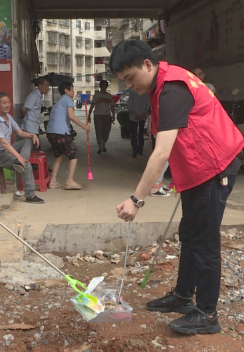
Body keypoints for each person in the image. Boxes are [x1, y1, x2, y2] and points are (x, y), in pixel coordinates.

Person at [110, 39, 244, 335]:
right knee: (190, 232)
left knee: (205, 240)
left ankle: (207, 314)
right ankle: (183, 296)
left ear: (147, 64)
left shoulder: (171, 88)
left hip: (214, 167)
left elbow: (160, 153)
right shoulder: (161, 84)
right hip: (197, 169)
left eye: (131, 78)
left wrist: (136, 199)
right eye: (124, 81)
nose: (130, 85)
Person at [0, 92, 45, 204]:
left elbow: (20, 132)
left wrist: (32, 135)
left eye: (8, 102)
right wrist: (19, 157)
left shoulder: (8, 117)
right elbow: (3, 142)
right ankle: (30, 196)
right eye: (4, 103)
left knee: (27, 140)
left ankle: (18, 163)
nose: (7, 105)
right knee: (26, 165)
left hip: (6, 150)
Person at [46, 82, 90, 190]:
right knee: (73, 154)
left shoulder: (59, 102)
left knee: (59, 157)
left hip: (51, 132)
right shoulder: (67, 99)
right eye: (72, 89)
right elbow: (71, 116)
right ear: (66, 91)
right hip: (60, 132)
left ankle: (53, 182)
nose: (74, 91)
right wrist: (84, 126)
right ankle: (69, 181)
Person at [88, 80, 115, 154]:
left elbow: (112, 106)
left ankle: (104, 145)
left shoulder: (109, 96)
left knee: (106, 130)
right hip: (98, 115)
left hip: (107, 116)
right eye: (102, 85)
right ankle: (100, 146)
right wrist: (89, 115)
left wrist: (113, 115)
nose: (104, 87)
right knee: (99, 130)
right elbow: (92, 105)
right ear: (100, 86)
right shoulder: (97, 95)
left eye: (105, 86)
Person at [128, 90, 150, 157]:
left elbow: (130, 105)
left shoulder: (132, 92)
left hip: (134, 116)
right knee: (140, 134)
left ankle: (135, 150)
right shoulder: (145, 92)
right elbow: (148, 106)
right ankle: (140, 150)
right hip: (142, 116)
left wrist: (136, 115)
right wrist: (143, 115)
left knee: (134, 134)